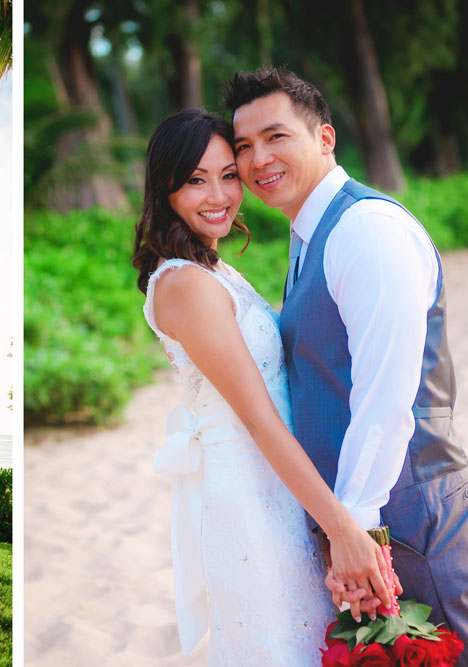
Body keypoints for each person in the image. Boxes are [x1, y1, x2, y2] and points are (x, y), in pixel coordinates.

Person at [224, 67, 468, 660]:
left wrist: (356, 529)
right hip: (364, 516)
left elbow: (386, 395)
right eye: (244, 147)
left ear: (325, 138)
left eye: (276, 136)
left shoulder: (366, 229)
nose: (259, 159)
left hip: (407, 511)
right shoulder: (308, 234)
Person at [133, 108, 392, 665]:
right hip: (251, 499)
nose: (219, 194)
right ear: (166, 187)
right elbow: (257, 419)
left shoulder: (213, 268)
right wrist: (342, 526)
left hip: (280, 487)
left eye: (229, 174)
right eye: (196, 180)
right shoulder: (184, 285)